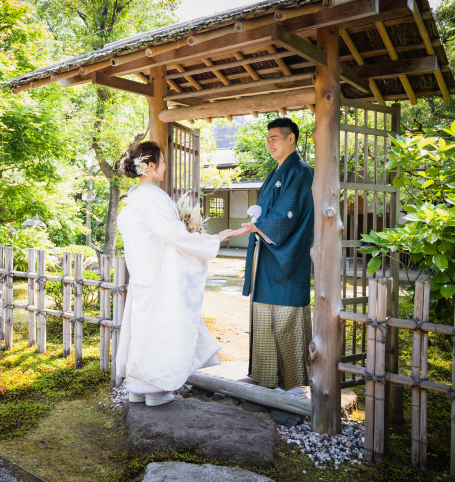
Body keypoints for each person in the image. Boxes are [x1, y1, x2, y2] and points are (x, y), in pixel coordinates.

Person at [115, 141, 233, 407]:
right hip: (159, 277)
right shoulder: (154, 198)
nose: (165, 166)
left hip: (142, 275)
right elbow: (176, 236)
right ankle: (154, 391)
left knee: (142, 330)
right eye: (163, 161)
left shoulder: (134, 198)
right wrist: (212, 240)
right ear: (149, 166)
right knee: (160, 331)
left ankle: (137, 388)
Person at [231, 117, 314, 391]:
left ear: (291, 138)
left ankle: (293, 383)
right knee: (264, 315)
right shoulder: (275, 172)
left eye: (274, 138)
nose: (269, 144)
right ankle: (265, 378)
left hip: (287, 256)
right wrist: (257, 225)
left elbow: (289, 214)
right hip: (267, 253)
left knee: (285, 316)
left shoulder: (301, 171)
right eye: (267, 139)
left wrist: (261, 227)